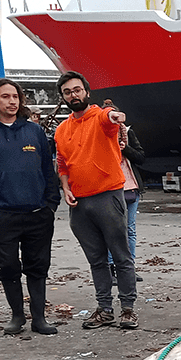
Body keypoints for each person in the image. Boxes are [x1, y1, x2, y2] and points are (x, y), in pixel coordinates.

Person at [0, 78, 60, 335]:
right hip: (1, 215)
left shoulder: (34, 132)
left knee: (38, 266)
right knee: (8, 266)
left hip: (37, 214)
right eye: (6, 97)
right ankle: (17, 316)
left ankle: (39, 318)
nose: (12, 101)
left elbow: (47, 171)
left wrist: (51, 204)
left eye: (15, 97)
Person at [54, 71, 139, 330]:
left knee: (121, 256)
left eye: (77, 90)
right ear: (63, 97)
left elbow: (108, 118)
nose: (73, 95)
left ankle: (128, 309)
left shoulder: (100, 118)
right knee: (96, 260)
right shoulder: (62, 130)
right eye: (68, 92)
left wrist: (113, 115)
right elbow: (62, 163)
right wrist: (65, 189)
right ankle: (104, 309)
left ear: (87, 93)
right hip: (79, 203)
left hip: (108, 196)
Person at [102, 100, 147, 284]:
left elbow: (141, 157)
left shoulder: (127, 133)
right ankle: (112, 269)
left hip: (130, 187)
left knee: (130, 230)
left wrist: (125, 148)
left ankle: (128, 268)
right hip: (110, 188)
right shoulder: (100, 135)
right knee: (113, 231)